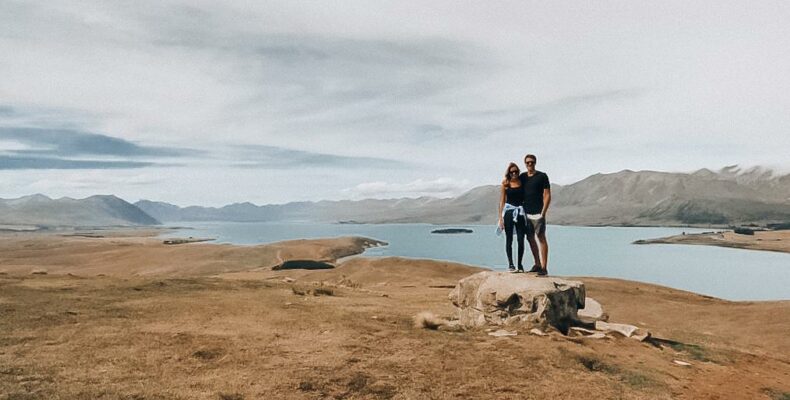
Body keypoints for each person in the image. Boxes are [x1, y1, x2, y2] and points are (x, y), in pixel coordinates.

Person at [520, 154, 551, 276]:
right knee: (530, 238)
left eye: (532, 162)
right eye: (527, 162)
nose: (530, 164)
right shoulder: (522, 177)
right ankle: (537, 264)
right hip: (526, 213)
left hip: (538, 213)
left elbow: (547, 194)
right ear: (525, 164)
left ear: (535, 163)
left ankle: (544, 267)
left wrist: (543, 212)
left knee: (541, 238)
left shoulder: (542, 176)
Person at [498, 162, 527, 272]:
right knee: (509, 239)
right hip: (509, 213)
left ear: (518, 172)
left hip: (520, 212)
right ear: (509, 173)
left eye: (516, 171)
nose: (514, 173)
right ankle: (511, 264)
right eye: (511, 172)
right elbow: (502, 201)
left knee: (521, 239)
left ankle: (520, 264)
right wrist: (501, 218)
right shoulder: (505, 184)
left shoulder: (522, 183)